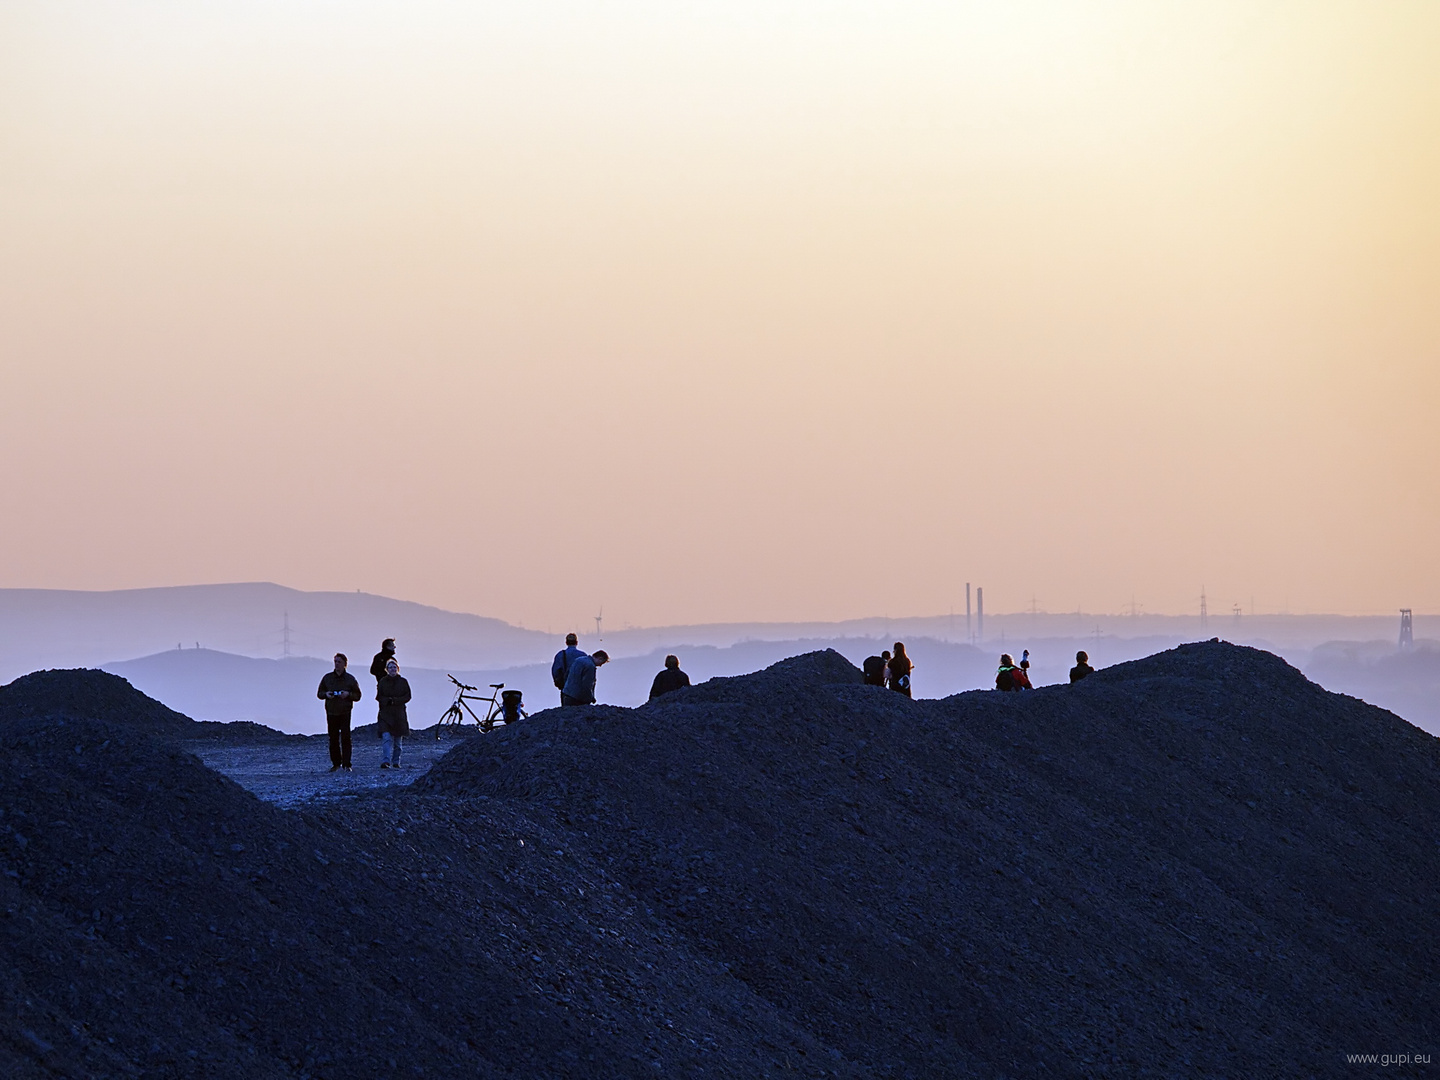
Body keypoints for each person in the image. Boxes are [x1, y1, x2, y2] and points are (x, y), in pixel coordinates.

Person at [316, 653, 362, 772]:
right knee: (333, 738)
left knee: (346, 738)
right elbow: (319, 693)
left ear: (345, 664)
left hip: (345, 711)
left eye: (339, 662)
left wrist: (348, 695)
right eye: (335, 661)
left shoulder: (350, 679)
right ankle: (336, 763)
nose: (337, 664)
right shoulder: (327, 678)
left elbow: (358, 695)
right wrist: (326, 694)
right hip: (331, 711)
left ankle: (347, 764)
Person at [376, 657, 412, 769]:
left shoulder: (403, 682)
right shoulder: (382, 682)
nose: (393, 669)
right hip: (385, 715)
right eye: (390, 667)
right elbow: (379, 696)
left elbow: (408, 696)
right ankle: (386, 761)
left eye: (394, 667)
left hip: (399, 715)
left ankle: (396, 761)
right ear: (387, 669)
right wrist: (387, 701)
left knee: (398, 741)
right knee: (386, 737)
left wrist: (395, 701)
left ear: (398, 668)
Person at [551, 633, 586, 704]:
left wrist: (558, 684)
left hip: (566, 688)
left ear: (566, 643)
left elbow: (555, 672)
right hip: (581, 689)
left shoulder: (560, 655)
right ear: (577, 643)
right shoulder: (583, 655)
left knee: (567, 711)